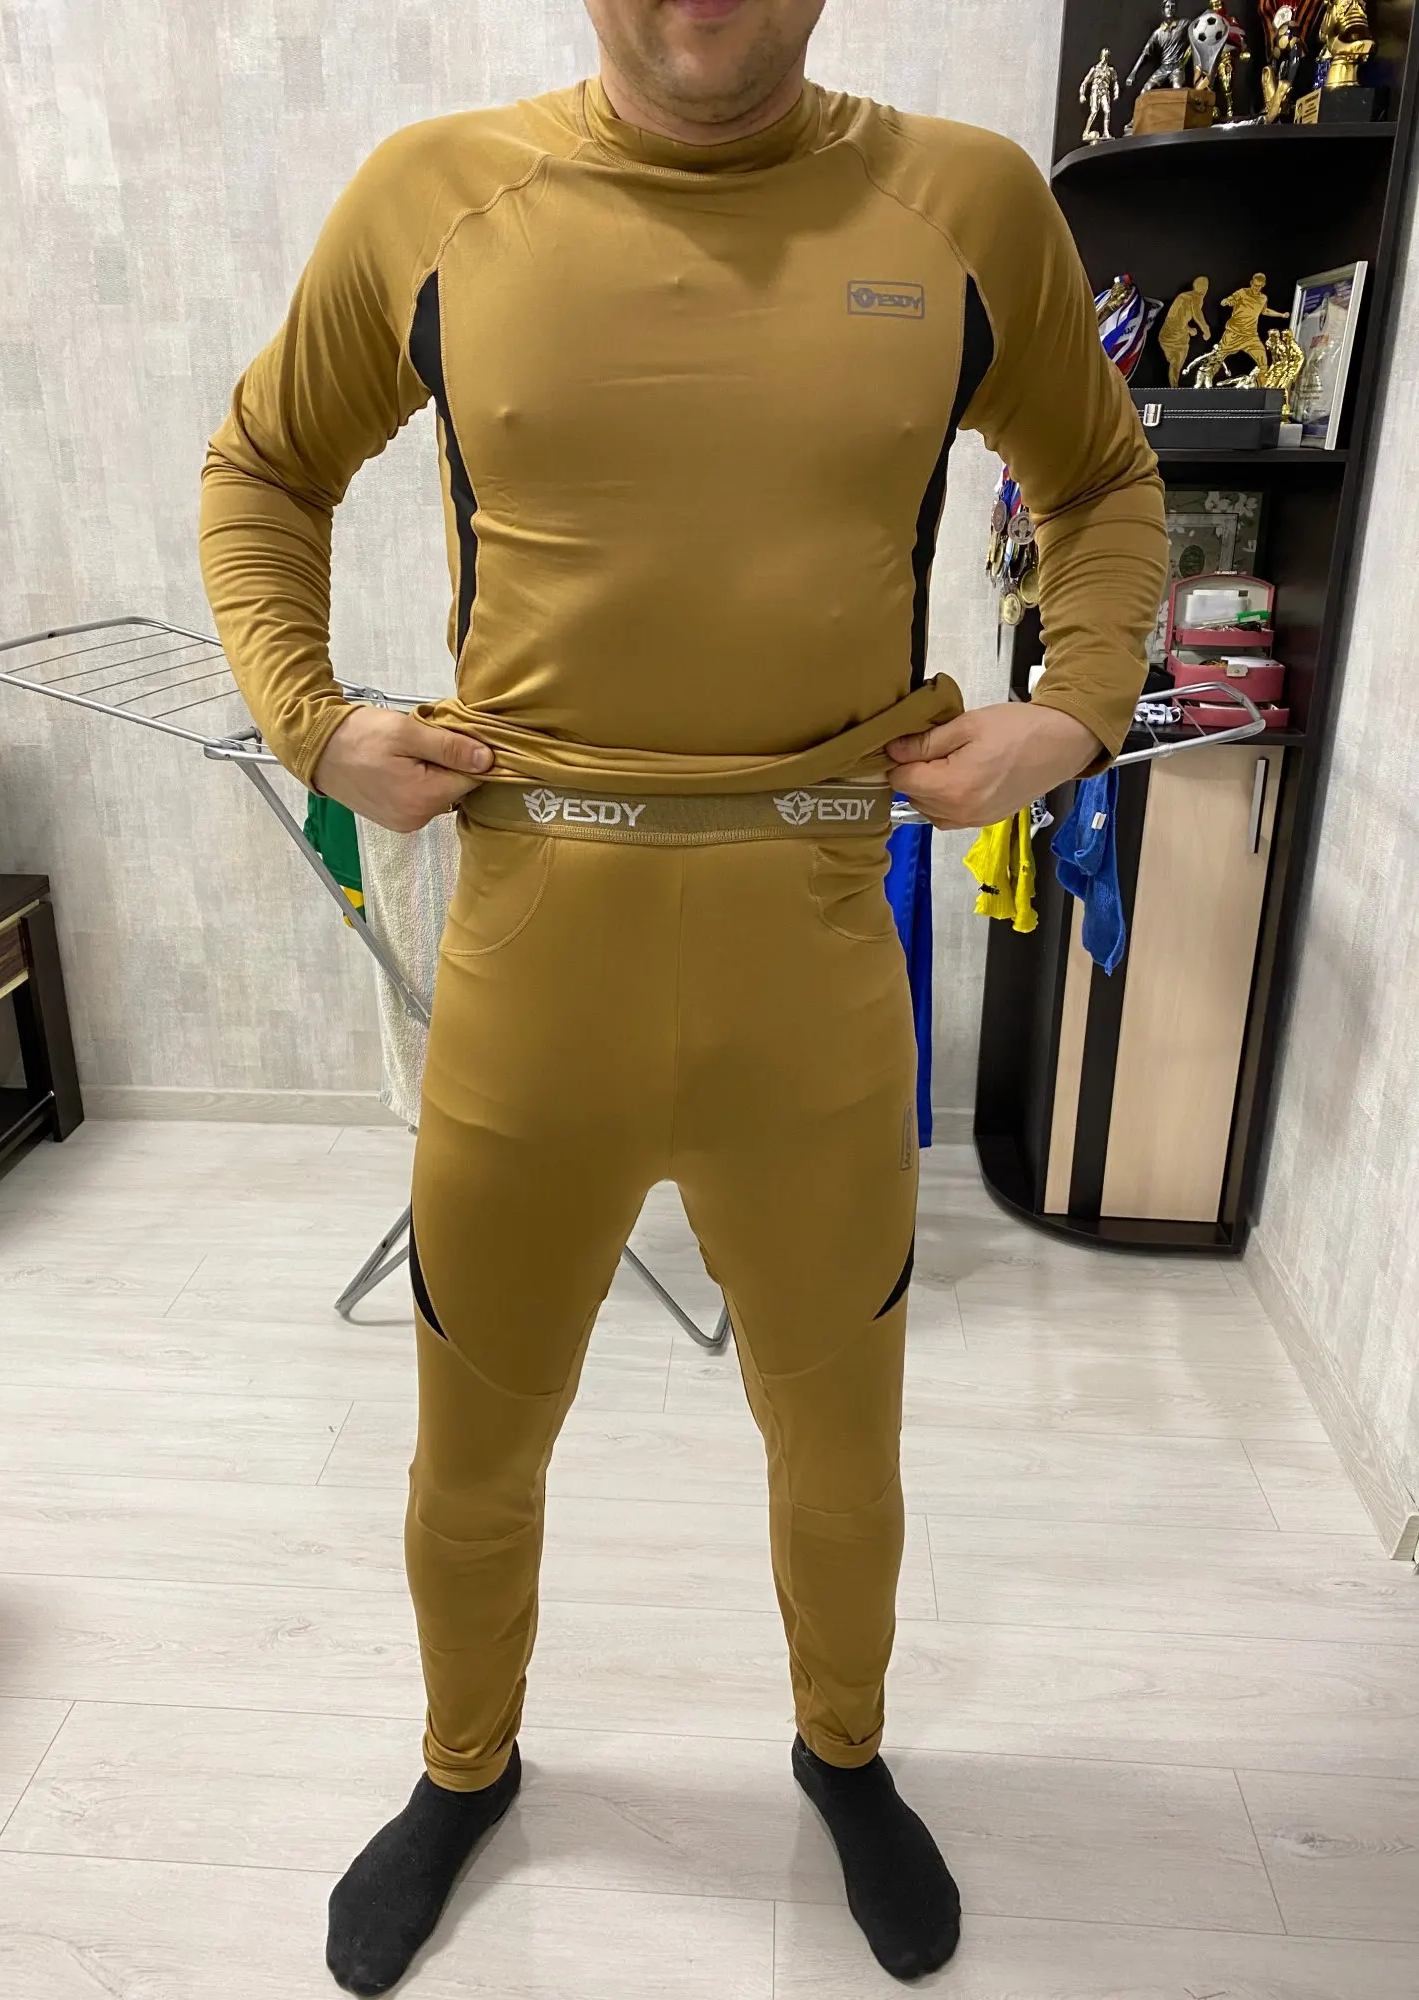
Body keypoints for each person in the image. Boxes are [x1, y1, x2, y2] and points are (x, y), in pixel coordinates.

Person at [199, 1, 1167, 1990]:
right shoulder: (435, 201)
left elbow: (1102, 483)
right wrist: (312, 720)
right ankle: (464, 1766)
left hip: (810, 964)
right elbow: (265, 467)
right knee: (473, 1440)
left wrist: (1072, 712)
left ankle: (845, 1750)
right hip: (532, 959)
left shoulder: (970, 205)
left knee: (842, 1441)